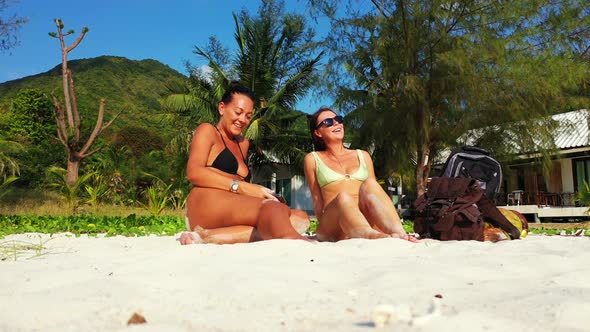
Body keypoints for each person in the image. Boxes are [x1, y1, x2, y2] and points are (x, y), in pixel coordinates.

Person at [180, 82, 310, 245]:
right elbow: (194, 172)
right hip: (205, 203)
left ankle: (207, 236)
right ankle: (294, 242)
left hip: (232, 207)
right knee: (273, 210)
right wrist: (242, 187)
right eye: (238, 112)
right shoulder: (208, 131)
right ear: (222, 108)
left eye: (248, 116)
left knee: (300, 217)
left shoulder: (243, 143)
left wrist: (263, 193)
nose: (242, 120)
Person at [303, 107, 417, 242]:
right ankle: (370, 235)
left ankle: (400, 233)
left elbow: (374, 197)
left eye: (338, 119)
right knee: (343, 197)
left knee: (370, 184)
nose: (336, 123)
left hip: (363, 221)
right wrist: (324, 229)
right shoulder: (313, 159)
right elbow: (317, 201)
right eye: (328, 122)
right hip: (333, 224)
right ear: (318, 132)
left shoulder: (363, 155)